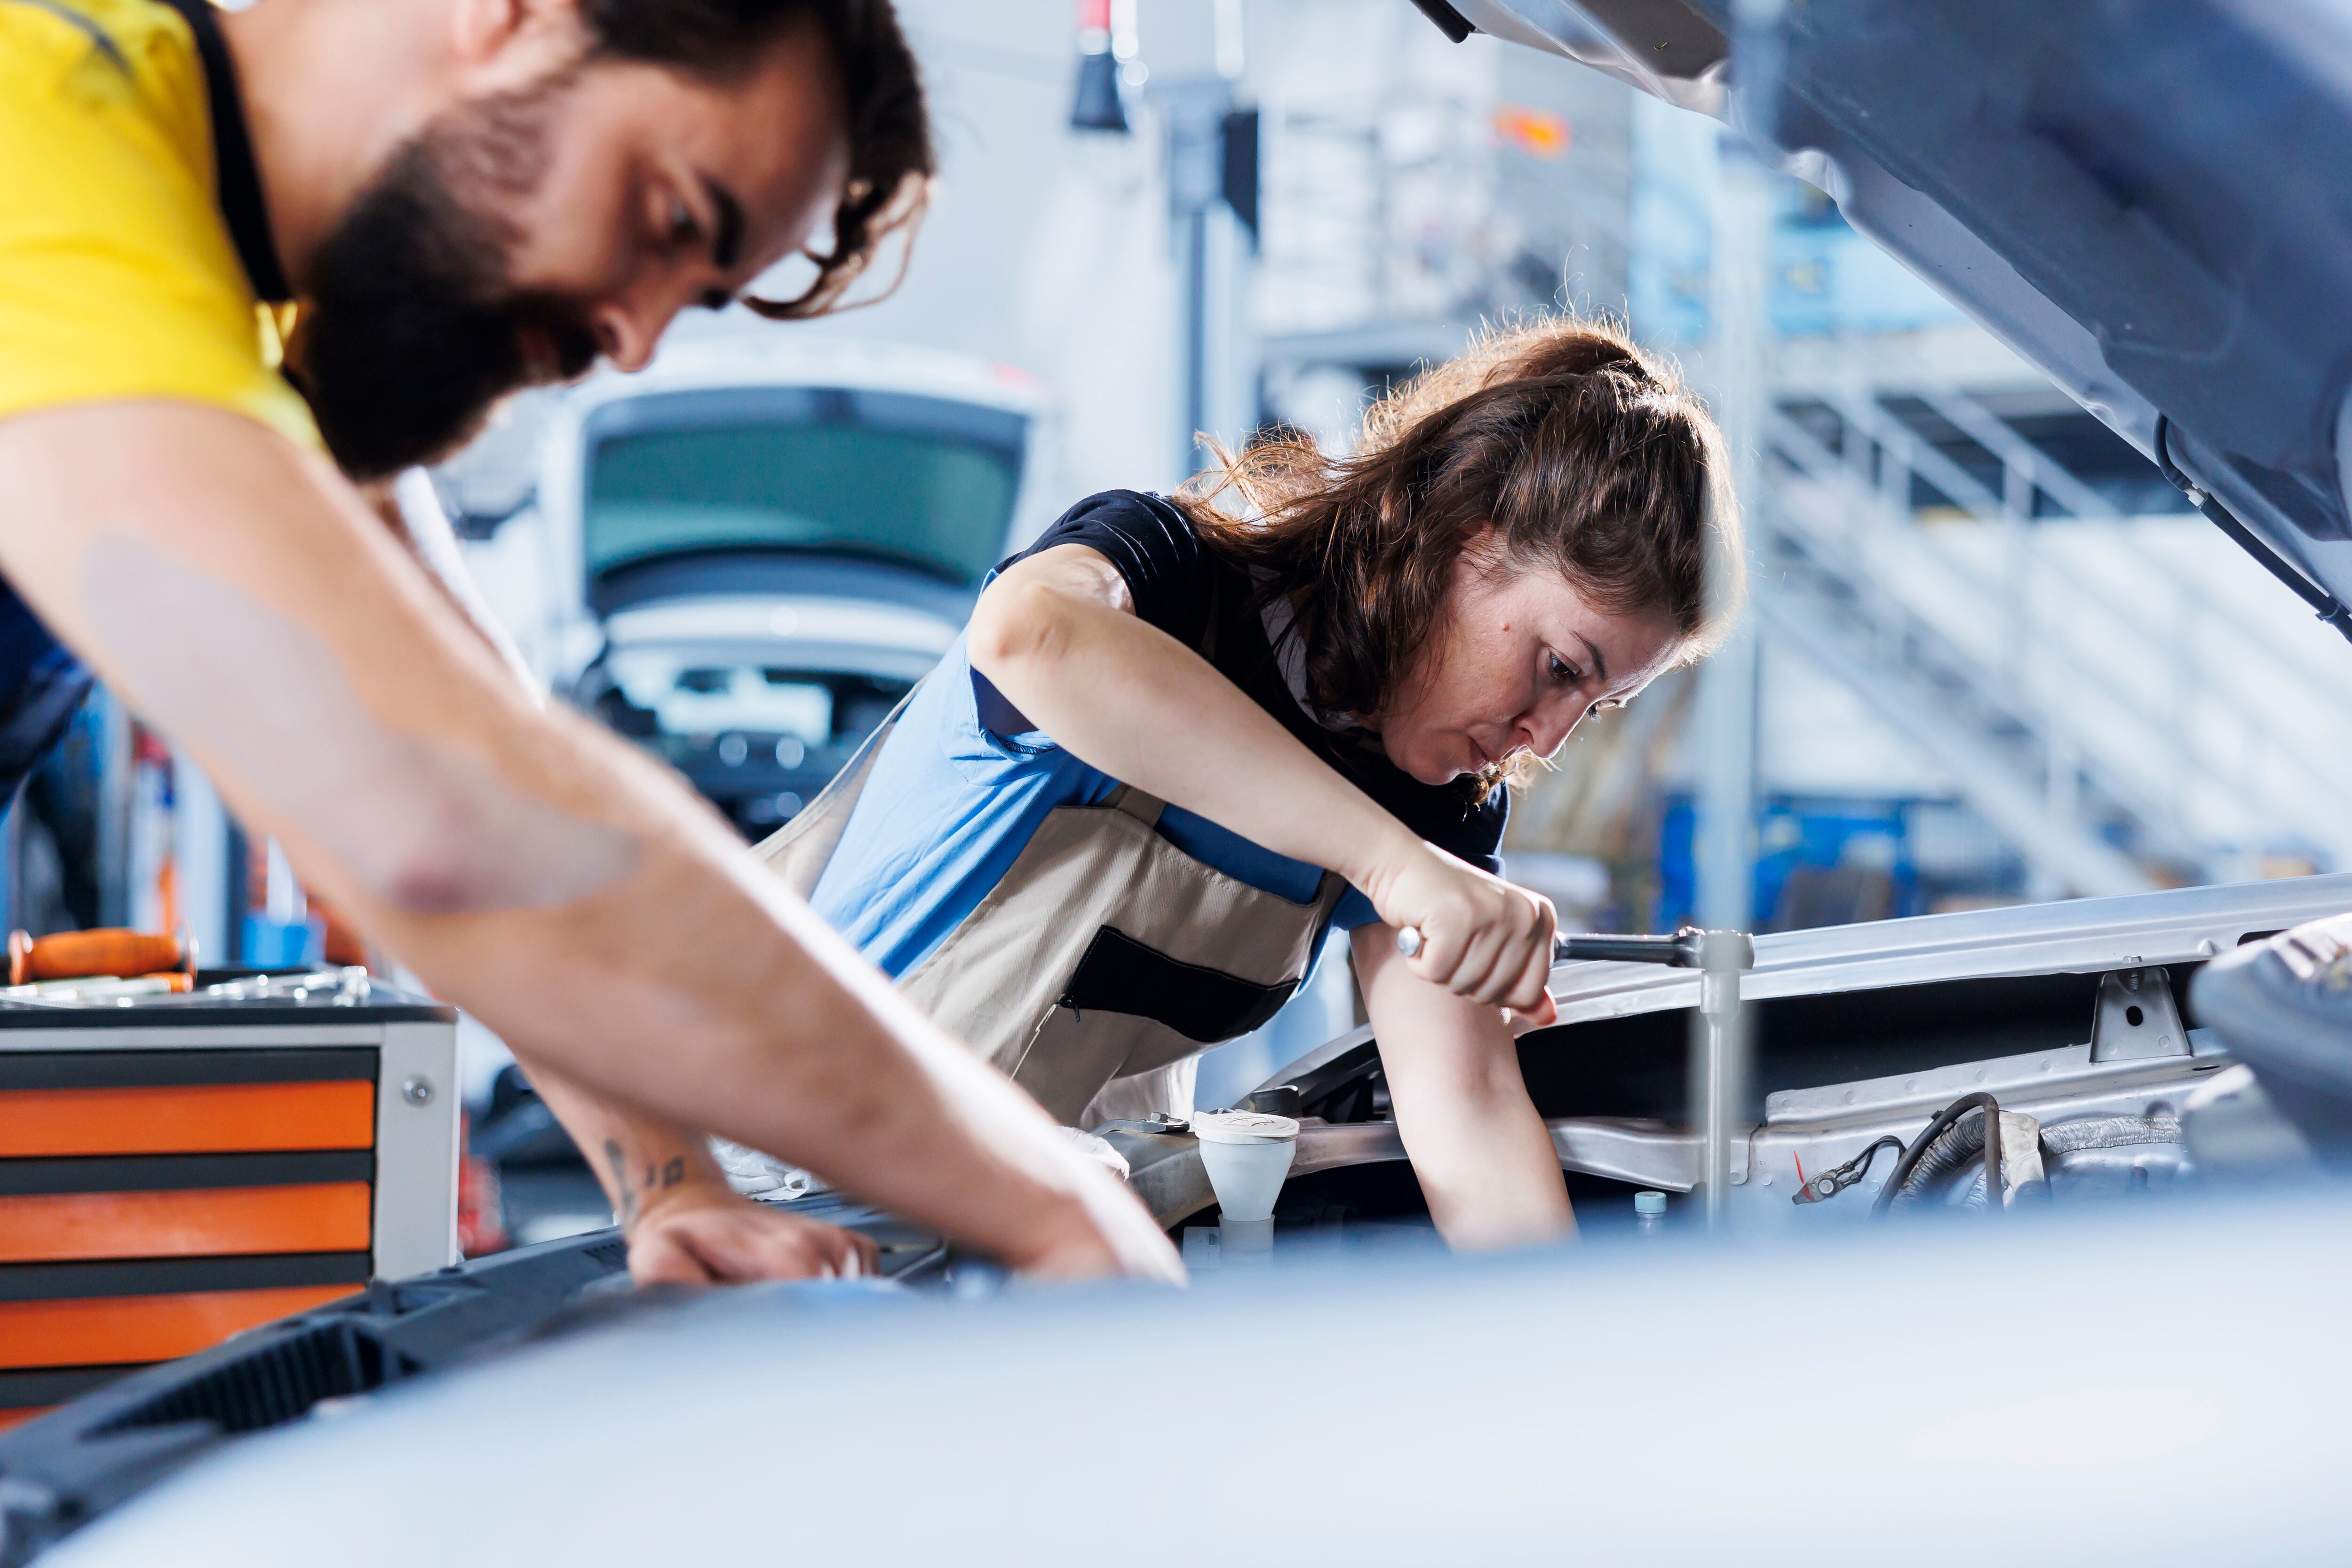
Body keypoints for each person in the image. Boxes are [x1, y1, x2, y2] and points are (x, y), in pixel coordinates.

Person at [0, 0, 1180, 1283]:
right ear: (514, 18)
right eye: (671, 217)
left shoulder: (261, 316)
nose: (632, 340)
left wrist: (674, 1179)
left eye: (698, 291)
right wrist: (1046, 1201)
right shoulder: (40, 130)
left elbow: (481, 725)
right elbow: (448, 813)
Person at [742, 318, 1738, 1249]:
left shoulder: (1433, 795)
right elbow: (1028, 635)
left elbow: (1470, 1121)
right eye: (1563, 666)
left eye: (1595, 705)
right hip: (797, 1196)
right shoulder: (1173, 582)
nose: (1547, 734)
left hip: (1042, 1241)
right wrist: (1389, 865)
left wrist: (1586, 1371)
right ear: (1467, 531)